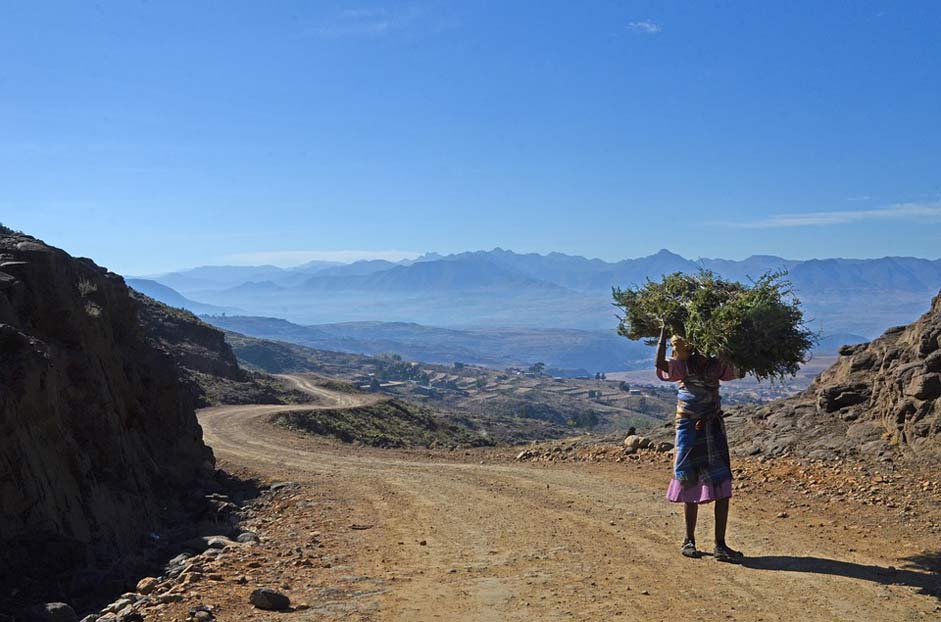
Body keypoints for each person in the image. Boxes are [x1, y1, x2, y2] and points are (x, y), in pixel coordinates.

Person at [655, 324, 744, 562]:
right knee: (688, 480)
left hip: (713, 425)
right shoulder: (683, 365)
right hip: (688, 427)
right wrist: (663, 336)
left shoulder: (718, 365)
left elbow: (740, 371)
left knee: (722, 482)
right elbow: (661, 366)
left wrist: (742, 346)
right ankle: (689, 540)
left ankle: (720, 544)